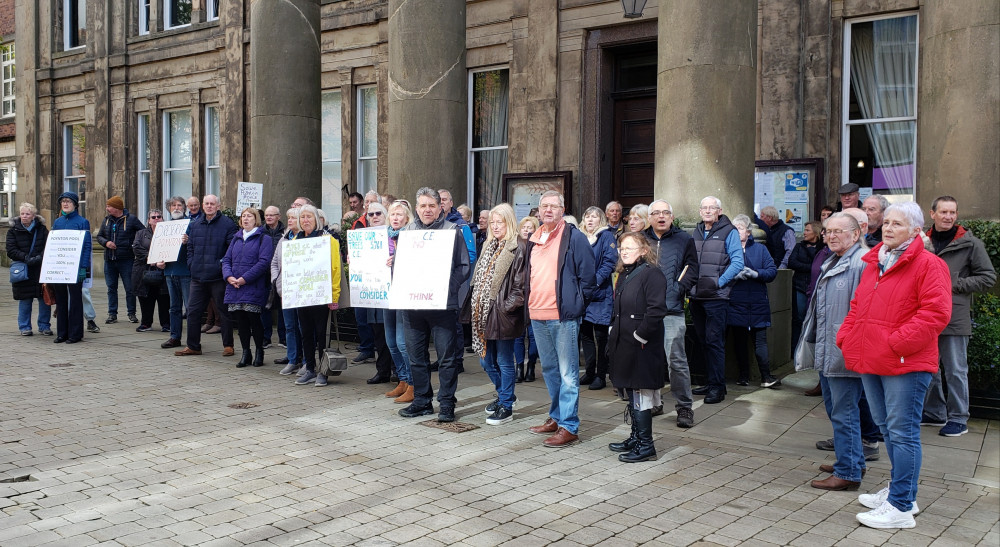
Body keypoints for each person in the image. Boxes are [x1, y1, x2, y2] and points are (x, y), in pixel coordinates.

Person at [839, 201, 952, 529]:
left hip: (905, 363)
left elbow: (936, 314)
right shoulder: (876, 261)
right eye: (886, 222)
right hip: (872, 359)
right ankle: (903, 492)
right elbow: (858, 304)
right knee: (888, 429)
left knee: (902, 433)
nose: (888, 228)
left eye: (897, 224)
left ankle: (901, 506)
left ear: (916, 230)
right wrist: (848, 336)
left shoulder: (929, 264)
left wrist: (895, 343)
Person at [799, 212, 869, 491]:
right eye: (828, 231)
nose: (832, 236)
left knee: (844, 412)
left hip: (845, 352)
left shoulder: (862, 262)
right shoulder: (834, 259)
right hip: (830, 350)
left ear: (856, 234)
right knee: (837, 410)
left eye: (839, 231)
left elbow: (863, 311)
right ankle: (851, 460)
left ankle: (849, 471)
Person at [525, 190, 596, 447]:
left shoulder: (574, 237)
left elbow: (589, 277)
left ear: (562, 210)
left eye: (554, 206)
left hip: (562, 316)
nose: (548, 210)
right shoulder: (534, 238)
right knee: (551, 370)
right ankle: (556, 417)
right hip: (537, 314)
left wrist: (576, 304)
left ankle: (569, 426)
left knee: (568, 374)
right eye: (544, 206)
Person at [921, 196, 997, 437]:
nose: (948, 217)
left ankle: (958, 418)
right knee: (929, 368)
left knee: (955, 370)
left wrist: (953, 283)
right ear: (932, 214)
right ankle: (934, 413)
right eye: (943, 212)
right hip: (924, 314)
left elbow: (988, 277)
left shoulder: (971, 243)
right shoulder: (922, 240)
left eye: (952, 212)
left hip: (955, 315)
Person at [397, 188, 471, 422]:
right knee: (416, 357)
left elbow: (463, 266)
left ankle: (447, 404)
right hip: (412, 306)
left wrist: (448, 289)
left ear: (440, 207)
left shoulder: (452, 231)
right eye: (422, 206)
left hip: (442, 306)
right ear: (416, 209)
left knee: (447, 358)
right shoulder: (407, 232)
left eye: (431, 205)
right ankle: (422, 401)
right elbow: (400, 268)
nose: (427, 210)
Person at [606, 232, 668, 463]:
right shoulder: (624, 274)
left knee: (641, 393)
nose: (624, 252)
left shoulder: (653, 274)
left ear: (643, 250)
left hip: (642, 346)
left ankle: (646, 445)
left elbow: (656, 310)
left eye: (630, 248)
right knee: (632, 392)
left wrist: (639, 336)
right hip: (625, 344)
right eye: (622, 248)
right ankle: (635, 437)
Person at [643, 200, 698, 428]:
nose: (661, 216)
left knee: (676, 361)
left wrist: (678, 288)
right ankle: (653, 403)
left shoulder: (684, 239)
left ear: (672, 216)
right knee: (647, 360)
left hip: (672, 309)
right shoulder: (641, 239)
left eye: (666, 212)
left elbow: (693, 268)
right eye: (656, 213)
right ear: (650, 218)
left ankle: (684, 406)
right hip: (645, 310)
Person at [470, 203, 527, 425]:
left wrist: (505, 308)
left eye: (499, 222)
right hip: (482, 312)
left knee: (504, 361)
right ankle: (507, 395)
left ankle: (506, 406)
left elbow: (520, 286)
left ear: (509, 222)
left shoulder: (519, 246)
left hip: (503, 314)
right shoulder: (488, 244)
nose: (495, 226)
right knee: (486, 362)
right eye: (492, 222)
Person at [690, 196, 744, 404]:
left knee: (715, 343)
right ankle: (711, 381)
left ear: (719, 211)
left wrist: (719, 283)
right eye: (704, 207)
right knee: (704, 342)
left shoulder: (729, 231)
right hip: (696, 296)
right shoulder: (695, 231)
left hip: (716, 298)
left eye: (712, 208)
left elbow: (738, 262)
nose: (707, 211)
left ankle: (718, 388)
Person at [174, 195, 239, 357]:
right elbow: (190, 248)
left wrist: (221, 266)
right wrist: (191, 264)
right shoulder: (195, 225)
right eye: (207, 204)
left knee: (224, 312)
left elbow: (232, 250)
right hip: (198, 277)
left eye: (212, 204)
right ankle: (193, 346)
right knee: (193, 312)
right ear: (203, 206)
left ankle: (228, 345)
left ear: (218, 206)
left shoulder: (228, 225)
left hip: (217, 277)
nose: (209, 206)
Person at [290, 204, 342, 386]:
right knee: (305, 333)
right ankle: (310, 368)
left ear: (317, 220)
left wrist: (334, 295)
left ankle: (323, 370)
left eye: (309, 217)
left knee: (322, 334)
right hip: (302, 296)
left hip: (321, 295)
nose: (305, 220)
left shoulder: (327, 239)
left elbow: (335, 268)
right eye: (302, 217)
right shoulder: (295, 240)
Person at [726, 215, 781, 388]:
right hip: (735, 301)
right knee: (739, 341)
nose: (737, 231)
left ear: (748, 232)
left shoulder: (760, 249)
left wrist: (756, 274)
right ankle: (743, 376)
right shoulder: (727, 249)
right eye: (734, 228)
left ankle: (766, 376)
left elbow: (772, 271)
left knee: (760, 341)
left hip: (757, 301)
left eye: (740, 228)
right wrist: (733, 276)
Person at [222, 207, 275, 368]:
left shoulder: (263, 239)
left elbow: (264, 262)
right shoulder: (236, 238)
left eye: (249, 216)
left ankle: (259, 351)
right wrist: (229, 276)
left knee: (254, 320)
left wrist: (245, 279)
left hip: (252, 286)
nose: (246, 219)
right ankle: (246, 352)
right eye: (243, 216)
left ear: (256, 219)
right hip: (235, 287)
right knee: (241, 321)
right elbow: (226, 260)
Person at [578, 206, 618, 390]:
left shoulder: (606, 236)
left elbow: (609, 262)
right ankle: (590, 371)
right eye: (588, 216)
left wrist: (594, 282)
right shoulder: (578, 236)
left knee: (601, 337)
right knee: (585, 334)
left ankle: (601, 375)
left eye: (595, 217)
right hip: (582, 293)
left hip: (599, 293)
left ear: (601, 220)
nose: (590, 220)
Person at [359, 202, 395, 384]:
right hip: (372, 292)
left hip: (390, 291)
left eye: (378, 213)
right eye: (370, 214)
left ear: (385, 214)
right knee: (378, 334)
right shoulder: (363, 237)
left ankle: (397, 371)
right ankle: (382, 371)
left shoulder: (393, 234)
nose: (374, 217)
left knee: (392, 334)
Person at [383, 201, 415, 403]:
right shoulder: (382, 237)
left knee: (403, 343)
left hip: (404, 295)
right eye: (392, 214)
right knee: (391, 342)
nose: (395, 217)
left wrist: (398, 258)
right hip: (386, 294)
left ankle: (414, 384)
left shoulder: (412, 237)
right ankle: (403, 380)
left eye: (399, 214)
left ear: (407, 218)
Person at [50, 192, 92, 344]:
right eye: (63, 202)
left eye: (68, 201)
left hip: (75, 266)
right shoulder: (58, 222)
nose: (65, 204)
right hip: (59, 266)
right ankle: (62, 333)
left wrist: (83, 267)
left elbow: (87, 245)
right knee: (60, 300)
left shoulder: (82, 222)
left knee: (75, 301)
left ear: (75, 204)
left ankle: (75, 333)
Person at [96, 195, 144, 323]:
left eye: (109, 206)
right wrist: (106, 243)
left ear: (117, 207)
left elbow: (143, 233)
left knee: (130, 288)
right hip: (109, 260)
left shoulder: (132, 219)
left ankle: (131, 313)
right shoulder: (106, 220)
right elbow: (99, 236)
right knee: (111, 288)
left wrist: (132, 245)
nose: (107, 208)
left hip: (126, 260)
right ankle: (112, 314)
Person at [7, 202, 51, 336]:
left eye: (27, 214)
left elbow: (48, 246)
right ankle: (24, 326)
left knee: (44, 298)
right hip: (23, 269)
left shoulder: (42, 230)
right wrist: (26, 258)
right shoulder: (13, 231)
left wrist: (39, 258)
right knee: (25, 299)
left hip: (40, 268)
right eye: (22, 214)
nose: (24, 216)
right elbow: (11, 250)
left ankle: (44, 326)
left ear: (33, 216)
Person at [272, 208, 304, 374]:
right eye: (288, 217)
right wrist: (277, 284)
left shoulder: (307, 238)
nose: (290, 220)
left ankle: (306, 361)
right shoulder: (284, 238)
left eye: (293, 217)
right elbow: (274, 263)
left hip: (303, 291)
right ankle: (292, 359)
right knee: (290, 326)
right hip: (286, 290)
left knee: (303, 326)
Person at [131, 209, 170, 333]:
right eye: (153, 217)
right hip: (144, 270)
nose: (157, 219)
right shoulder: (141, 233)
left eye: (159, 216)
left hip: (163, 271)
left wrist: (163, 262)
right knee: (146, 298)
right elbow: (137, 248)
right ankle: (146, 323)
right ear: (149, 220)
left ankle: (166, 324)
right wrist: (152, 260)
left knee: (164, 298)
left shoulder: (168, 234)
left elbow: (172, 249)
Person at [789, 220, 824, 351]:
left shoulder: (823, 248)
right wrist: (811, 268)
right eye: (804, 230)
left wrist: (810, 267)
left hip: (816, 286)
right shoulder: (799, 246)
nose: (804, 233)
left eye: (808, 230)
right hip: (799, 285)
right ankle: (796, 348)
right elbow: (792, 262)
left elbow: (821, 266)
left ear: (816, 232)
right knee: (799, 318)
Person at [514, 216, 540, 382]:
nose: (526, 230)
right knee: (517, 334)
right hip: (517, 295)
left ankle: (531, 365)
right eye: (524, 227)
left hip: (534, 294)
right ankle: (519, 367)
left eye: (530, 227)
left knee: (533, 335)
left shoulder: (538, 247)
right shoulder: (514, 246)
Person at [261, 205, 286, 349]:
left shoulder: (285, 233)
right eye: (267, 215)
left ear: (279, 216)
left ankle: (283, 338)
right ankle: (266, 337)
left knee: (283, 307)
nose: (269, 217)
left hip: (280, 275)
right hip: (264, 275)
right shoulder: (260, 232)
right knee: (265, 306)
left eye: (272, 215)